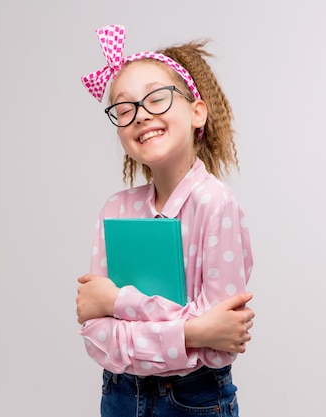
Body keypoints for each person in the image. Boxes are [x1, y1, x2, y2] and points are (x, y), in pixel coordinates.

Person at [76, 24, 255, 417]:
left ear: (197, 111)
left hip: (194, 400)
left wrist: (119, 301)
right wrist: (191, 331)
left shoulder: (214, 204)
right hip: (120, 396)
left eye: (156, 99)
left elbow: (221, 342)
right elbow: (96, 337)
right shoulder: (115, 210)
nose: (141, 116)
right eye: (124, 109)